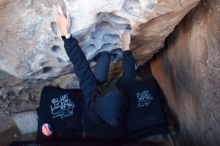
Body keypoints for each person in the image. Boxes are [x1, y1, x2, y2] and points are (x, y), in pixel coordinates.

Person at [37, 5, 168, 142]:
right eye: (115, 89)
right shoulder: (124, 101)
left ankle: (104, 68)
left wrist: (64, 31)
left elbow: (81, 65)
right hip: (109, 110)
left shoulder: (90, 99)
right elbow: (128, 76)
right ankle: (108, 69)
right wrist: (125, 47)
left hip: (93, 110)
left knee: (105, 56)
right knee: (107, 59)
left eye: (108, 90)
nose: (112, 87)